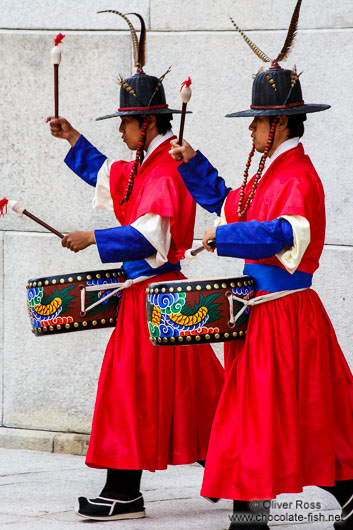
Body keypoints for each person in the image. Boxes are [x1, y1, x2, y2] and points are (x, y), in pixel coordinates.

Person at [170, 1, 353, 529]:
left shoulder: (297, 177)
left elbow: (282, 234)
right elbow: (230, 202)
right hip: (263, 314)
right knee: (265, 419)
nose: (250, 132)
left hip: (284, 315)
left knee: (285, 418)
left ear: (275, 124)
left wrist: (221, 237)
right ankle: (253, 514)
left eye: (256, 123)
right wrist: (193, 163)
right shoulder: (269, 175)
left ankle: (255, 516)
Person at [47, 11, 223, 522]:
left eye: (125, 122)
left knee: (133, 396)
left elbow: (151, 237)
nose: (121, 131)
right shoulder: (148, 163)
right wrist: (73, 138)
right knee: (197, 401)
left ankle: (132, 491)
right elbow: (110, 175)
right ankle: (225, 476)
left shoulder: (166, 167)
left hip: (156, 298)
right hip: (153, 300)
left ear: (146, 124)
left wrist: (92, 237)